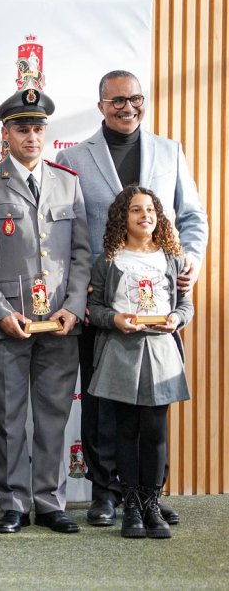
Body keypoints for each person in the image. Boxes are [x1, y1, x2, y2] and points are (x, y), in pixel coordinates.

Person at [55, 70, 208, 527]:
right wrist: (78, 279)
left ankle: (148, 494)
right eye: (118, 100)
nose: (128, 107)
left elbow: (191, 214)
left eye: (135, 99)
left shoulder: (170, 151)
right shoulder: (75, 157)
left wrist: (192, 262)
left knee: (154, 402)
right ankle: (105, 493)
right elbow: (70, 225)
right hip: (102, 301)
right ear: (101, 104)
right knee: (102, 400)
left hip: (161, 300)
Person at [0, 88, 90, 535]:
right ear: (6, 133)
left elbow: (81, 254)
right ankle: (14, 502)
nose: (32, 136)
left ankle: (50, 501)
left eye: (39, 128)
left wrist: (74, 307)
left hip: (59, 323)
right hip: (8, 323)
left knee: (54, 417)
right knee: (10, 418)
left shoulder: (67, 181)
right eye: (23, 128)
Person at [86, 186, 193, 539]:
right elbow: (96, 309)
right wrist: (114, 319)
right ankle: (130, 505)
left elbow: (184, 305)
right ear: (123, 218)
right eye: (135, 210)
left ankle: (151, 503)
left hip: (161, 349)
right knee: (125, 429)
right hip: (121, 349)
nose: (145, 215)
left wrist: (177, 318)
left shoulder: (172, 259)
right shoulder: (108, 260)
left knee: (154, 429)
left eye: (150, 209)